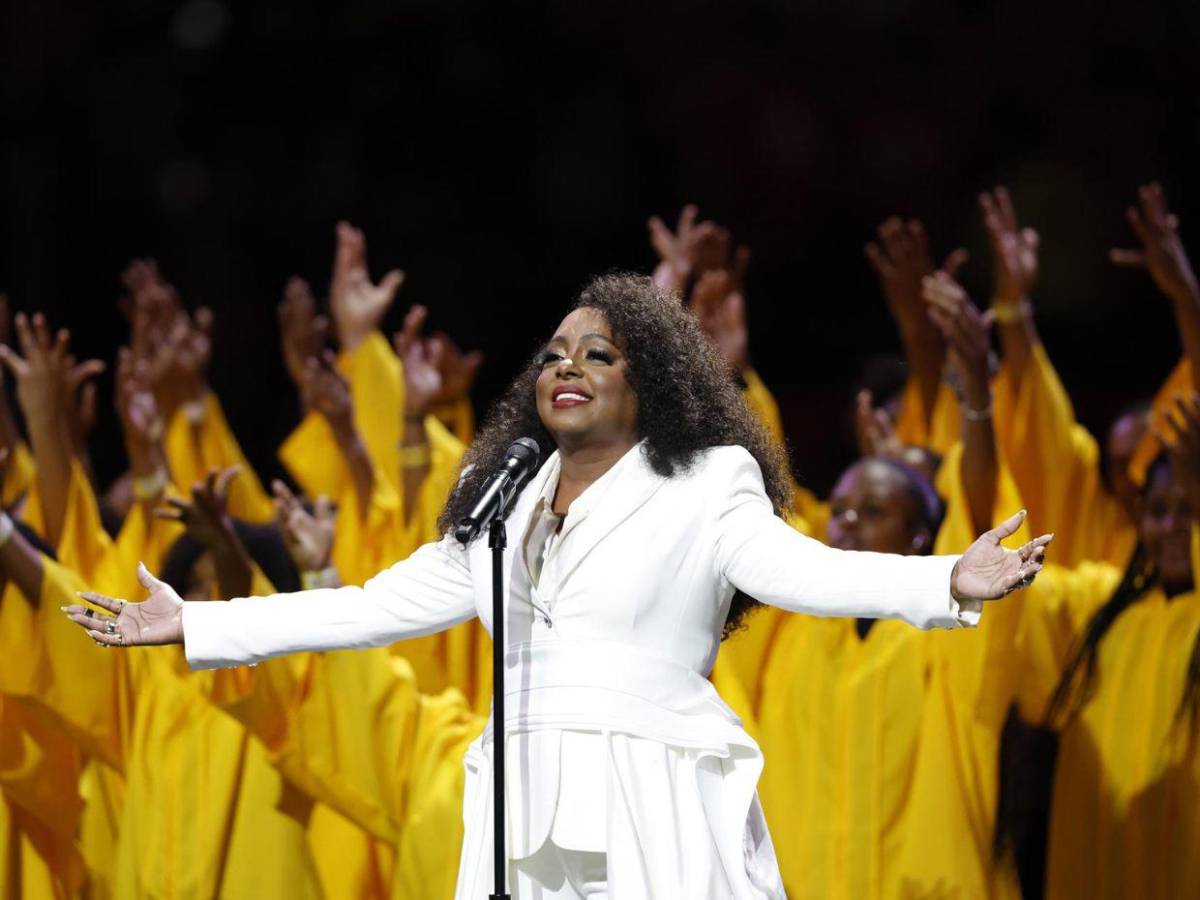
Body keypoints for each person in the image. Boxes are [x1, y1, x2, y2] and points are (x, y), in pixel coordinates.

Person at [65, 273, 1050, 899]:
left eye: (597, 353)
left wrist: (943, 577)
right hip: (523, 802)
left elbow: (803, 568)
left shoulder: (708, 482)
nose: (566, 364)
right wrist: (195, 625)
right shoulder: (501, 499)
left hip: (652, 783)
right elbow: (367, 607)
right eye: (555, 352)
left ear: (652, 381)